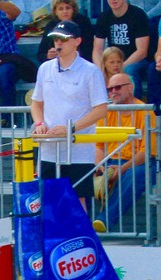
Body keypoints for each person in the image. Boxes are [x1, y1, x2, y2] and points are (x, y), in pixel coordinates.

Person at [31, 20, 108, 211]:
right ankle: (54, 240)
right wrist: (39, 122)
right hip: (49, 147)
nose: (58, 43)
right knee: (48, 200)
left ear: (78, 41)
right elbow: (36, 102)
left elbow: (101, 109)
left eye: (64, 39)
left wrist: (70, 128)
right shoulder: (44, 69)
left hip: (78, 150)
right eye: (56, 39)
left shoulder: (90, 71)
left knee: (77, 200)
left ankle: (79, 240)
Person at [93, 73, 159, 232]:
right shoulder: (105, 112)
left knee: (133, 175)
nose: (112, 92)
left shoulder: (145, 112)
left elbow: (147, 152)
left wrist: (122, 169)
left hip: (141, 163)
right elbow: (99, 146)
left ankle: (104, 220)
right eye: (109, 89)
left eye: (117, 87)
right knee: (82, 173)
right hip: (110, 161)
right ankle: (78, 227)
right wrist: (100, 167)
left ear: (131, 88)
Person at [92, 0, 150, 99]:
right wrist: (101, 69)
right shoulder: (104, 17)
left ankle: (134, 109)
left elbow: (142, 52)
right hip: (114, 60)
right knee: (94, 72)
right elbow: (97, 51)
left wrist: (120, 67)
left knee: (130, 70)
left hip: (137, 61)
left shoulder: (138, 15)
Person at [36, 0, 93, 65]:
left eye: (68, 8)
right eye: (61, 9)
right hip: (56, 65)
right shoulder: (51, 25)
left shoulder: (83, 22)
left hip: (82, 64)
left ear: (73, 9)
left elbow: (89, 49)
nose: (65, 11)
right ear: (55, 12)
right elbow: (40, 54)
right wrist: (48, 56)